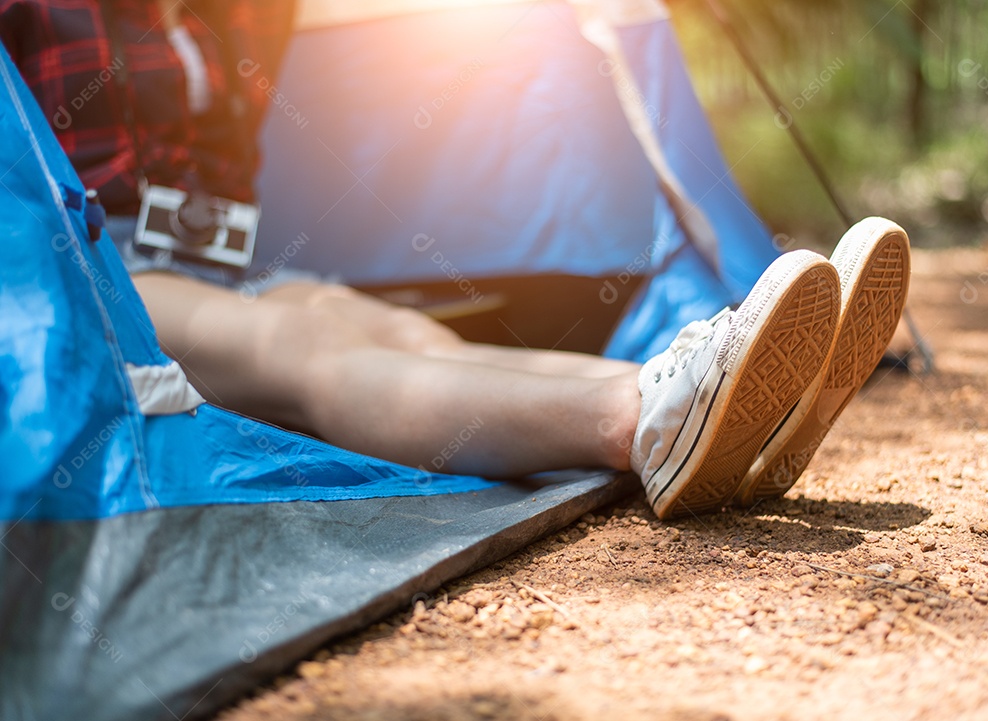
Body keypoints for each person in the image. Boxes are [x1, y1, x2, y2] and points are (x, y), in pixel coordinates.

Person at [0, 0, 910, 519]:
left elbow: (232, 169)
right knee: (297, 348)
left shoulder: (226, 14)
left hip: (216, 258)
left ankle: (706, 397)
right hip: (92, 276)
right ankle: (643, 415)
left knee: (393, 324)